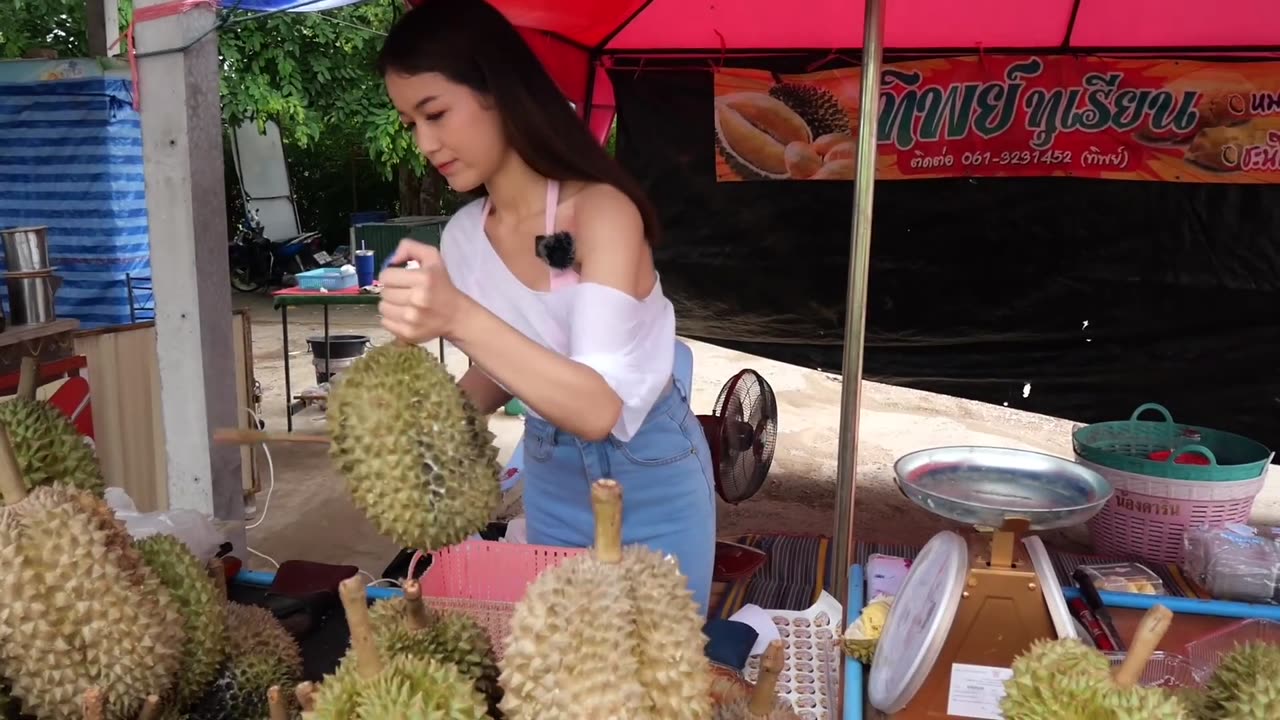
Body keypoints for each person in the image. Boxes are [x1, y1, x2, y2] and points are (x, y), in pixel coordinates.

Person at [373, 0, 717, 616]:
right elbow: (500, 367)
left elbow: (598, 406)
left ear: (499, 91)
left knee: (656, 683)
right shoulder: (461, 238)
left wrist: (455, 315)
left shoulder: (602, 212)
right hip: (551, 474)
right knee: (564, 671)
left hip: (650, 470)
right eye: (410, 124)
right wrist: (420, 433)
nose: (426, 143)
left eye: (436, 113)